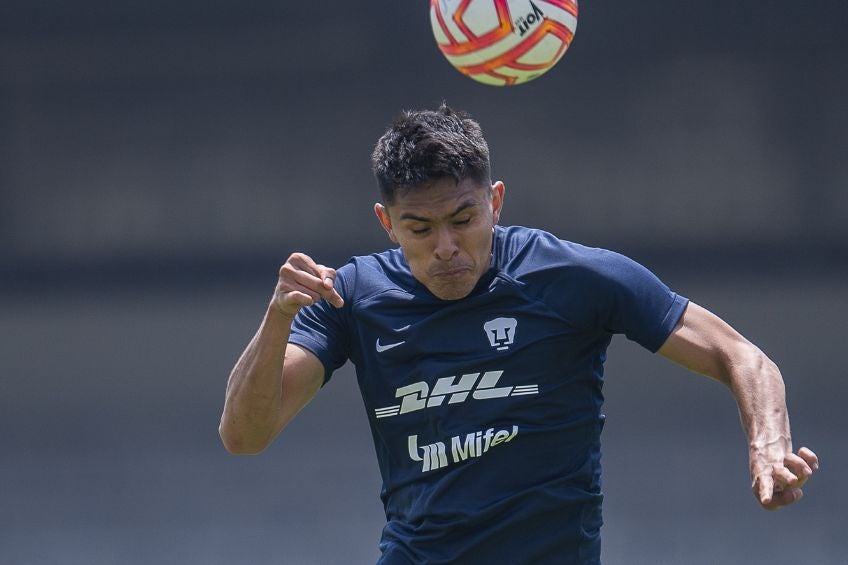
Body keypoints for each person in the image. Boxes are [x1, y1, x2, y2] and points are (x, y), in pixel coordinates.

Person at [219, 104, 818, 564]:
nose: (446, 247)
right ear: (386, 224)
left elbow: (741, 355)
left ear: (495, 201)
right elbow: (245, 436)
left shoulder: (573, 277)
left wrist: (768, 446)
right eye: (419, 228)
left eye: (463, 219)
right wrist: (276, 322)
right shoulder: (351, 295)